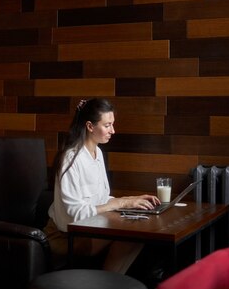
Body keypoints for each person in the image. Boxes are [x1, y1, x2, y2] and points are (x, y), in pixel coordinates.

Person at [44, 97, 160, 273]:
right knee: (131, 234)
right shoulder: (70, 159)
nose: (113, 130)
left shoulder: (97, 152)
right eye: (107, 125)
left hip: (90, 229)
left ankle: (108, 286)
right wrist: (119, 204)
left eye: (112, 124)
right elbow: (75, 214)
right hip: (65, 236)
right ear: (90, 126)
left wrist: (131, 201)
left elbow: (100, 199)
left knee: (138, 228)